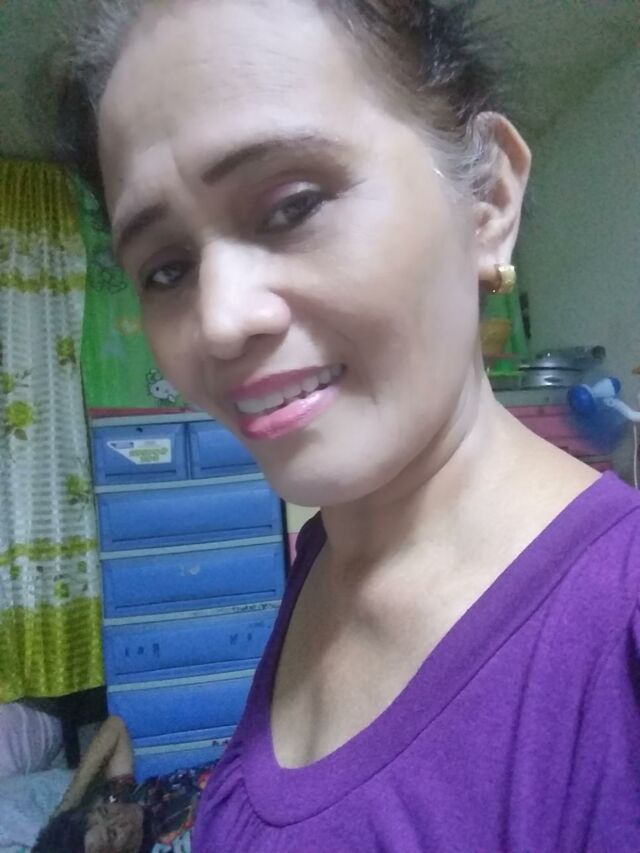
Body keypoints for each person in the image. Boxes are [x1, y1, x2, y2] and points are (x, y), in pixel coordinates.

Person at [56, 1, 640, 850]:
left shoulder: (619, 630)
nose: (219, 321)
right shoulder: (327, 553)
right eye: (167, 269)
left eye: (292, 205)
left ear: (486, 197)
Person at [33, 715, 211, 853]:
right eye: (113, 833)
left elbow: (116, 726)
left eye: (103, 812)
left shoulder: (121, 797)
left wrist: (69, 802)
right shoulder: (169, 843)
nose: (118, 814)